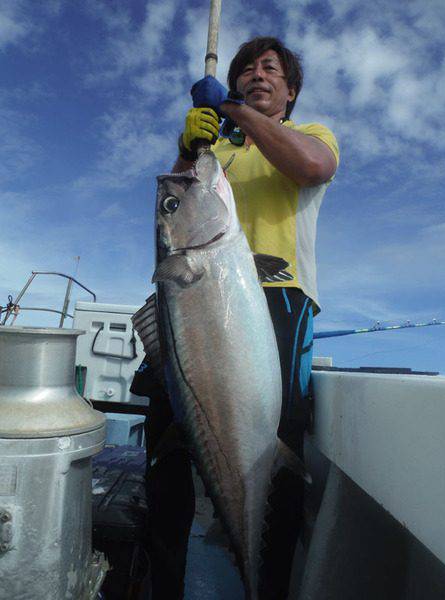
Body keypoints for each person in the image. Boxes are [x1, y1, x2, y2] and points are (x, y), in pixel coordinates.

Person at [135, 36, 339, 600]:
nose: (255, 75)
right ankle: (165, 584)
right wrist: (189, 147)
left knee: (278, 449)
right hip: (195, 304)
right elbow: (174, 207)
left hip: (275, 303)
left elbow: (313, 168)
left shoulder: (309, 136)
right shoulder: (215, 159)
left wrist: (232, 109)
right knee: (167, 453)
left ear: (290, 91)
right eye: (245, 69)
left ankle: (263, 585)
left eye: (269, 69)